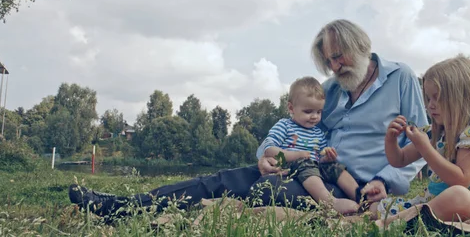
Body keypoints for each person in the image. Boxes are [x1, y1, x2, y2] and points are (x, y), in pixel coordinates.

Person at [68, 19, 427, 219]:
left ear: (361, 44)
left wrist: (385, 180)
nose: (336, 66)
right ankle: (124, 206)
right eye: (330, 61)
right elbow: (293, 128)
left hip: (359, 184)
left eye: (340, 56)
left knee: (265, 191)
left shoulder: (401, 78)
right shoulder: (331, 89)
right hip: (309, 168)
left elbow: (422, 142)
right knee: (225, 178)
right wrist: (266, 156)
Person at [374, 55, 470, 226]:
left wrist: (426, 149)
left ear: (462, 99)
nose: (430, 105)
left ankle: (403, 221)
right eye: (428, 98)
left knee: (458, 196)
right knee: (377, 207)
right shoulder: (434, 134)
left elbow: (461, 180)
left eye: (437, 98)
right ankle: (413, 219)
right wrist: (390, 140)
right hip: (435, 201)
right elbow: (399, 160)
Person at [261, 76, 365, 214]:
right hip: (290, 167)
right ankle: (328, 202)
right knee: (305, 163)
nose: (314, 116)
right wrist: (295, 155)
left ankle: (362, 198)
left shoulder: (318, 132)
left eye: (318, 112)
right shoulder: (285, 125)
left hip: (314, 167)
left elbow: (319, 158)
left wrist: (326, 157)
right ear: (291, 108)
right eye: (308, 111)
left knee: (335, 167)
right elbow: (269, 149)